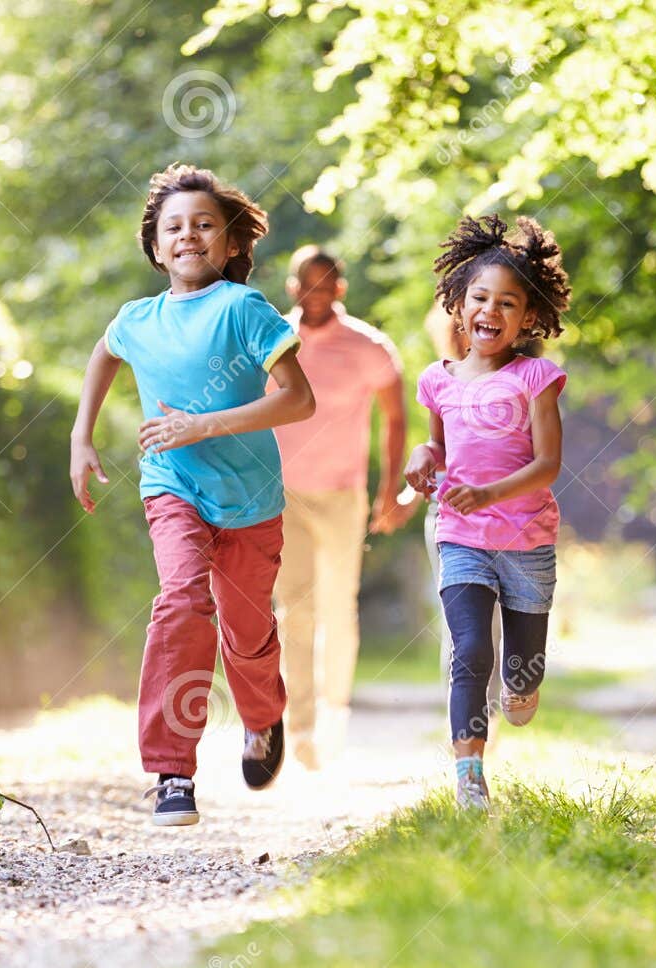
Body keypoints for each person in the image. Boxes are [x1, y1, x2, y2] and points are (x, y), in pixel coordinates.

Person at [68, 163, 316, 827]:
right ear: (155, 246)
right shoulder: (137, 318)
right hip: (171, 486)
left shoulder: (244, 309)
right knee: (180, 600)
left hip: (250, 500)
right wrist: (80, 436)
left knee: (247, 634)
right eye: (173, 226)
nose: (188, 235)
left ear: (230, 243)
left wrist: (202, 424)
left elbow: (298, 399)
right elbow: (104, 353)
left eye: (205, 224)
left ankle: (263, 718)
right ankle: (171, 770)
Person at [403, 214, 572, 811]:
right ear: (458, 302)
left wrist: (491, 494)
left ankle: (520, 693)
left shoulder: (536, 378)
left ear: (528, 316)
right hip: (462, 537)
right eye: (479, 297)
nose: (490, 312)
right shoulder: (437, 380)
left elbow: (548, 464)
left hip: (526, 543)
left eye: (507, 302)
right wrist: (423, 459)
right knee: (470, 649)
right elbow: (438, 450)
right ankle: (469, 775)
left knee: (520, 679)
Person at [271, 245, 409, 769]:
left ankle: (334, 712)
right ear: (293, 287)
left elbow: (395, 419)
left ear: (341, 289)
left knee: (338, 608)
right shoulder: (274, 340)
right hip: (283, 495)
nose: (317, 294)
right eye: (308, 284)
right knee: (295, 610)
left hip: (343, 495)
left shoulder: (369, 347)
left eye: (327, 284)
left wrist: (389, 489)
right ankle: (299, 725)